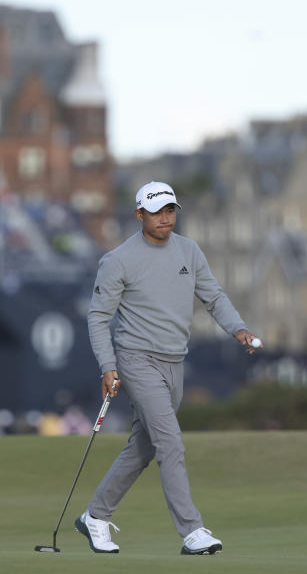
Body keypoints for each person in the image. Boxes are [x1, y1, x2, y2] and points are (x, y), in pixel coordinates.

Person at [76, 181, 262, 556]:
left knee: (143, 447)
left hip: (174, 362)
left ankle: (95, 516)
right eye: (157, 211)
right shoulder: (118, 260)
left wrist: (238, 328)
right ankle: (192, 532)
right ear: (139, 215)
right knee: (171, 444)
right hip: (136, 360)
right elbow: (98, 318)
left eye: (171, 210)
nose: (166, 218)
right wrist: (108, 367)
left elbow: (214, 297)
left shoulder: (189, 251)